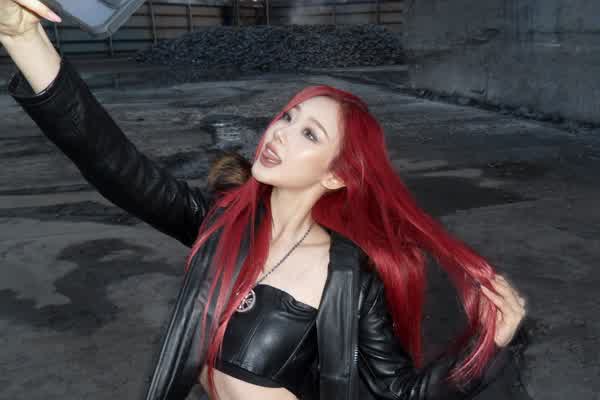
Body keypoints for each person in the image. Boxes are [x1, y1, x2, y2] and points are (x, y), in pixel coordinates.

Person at [0, 1, 529, 400]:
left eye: (310, 134)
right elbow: (113, 164)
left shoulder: (348, 278)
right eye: (287, 117)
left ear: (336, 177)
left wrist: (489, 347)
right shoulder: (220, 222)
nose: (279, 133)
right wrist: (24, 39)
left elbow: (399, 393)